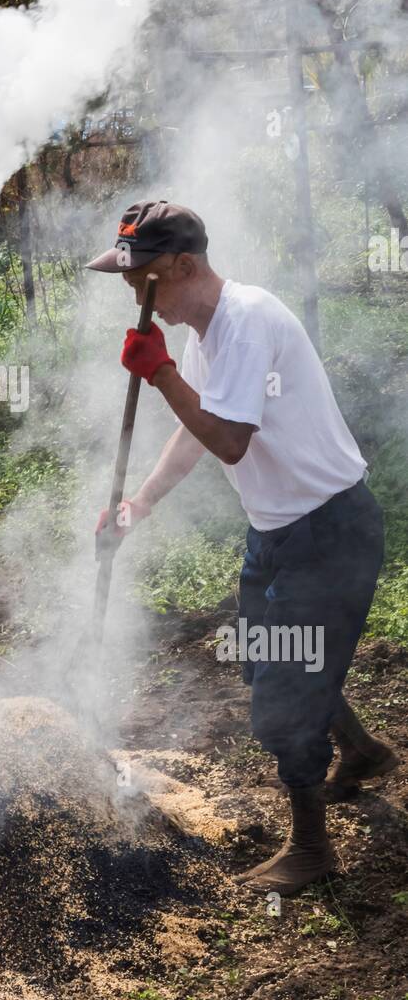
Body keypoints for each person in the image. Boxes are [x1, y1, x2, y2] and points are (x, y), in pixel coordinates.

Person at [88, 199, 397, 896]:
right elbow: (199, 432)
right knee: (269, 663)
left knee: (285, 696)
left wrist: (162, 375)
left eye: (141, 279)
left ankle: (313, 849)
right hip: (280, 535)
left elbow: (229, 438)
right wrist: (139, 504)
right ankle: (363, 750)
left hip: (328, 534)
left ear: (184, 265)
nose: (133, 294)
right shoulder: (207, 330)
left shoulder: (248, 320)